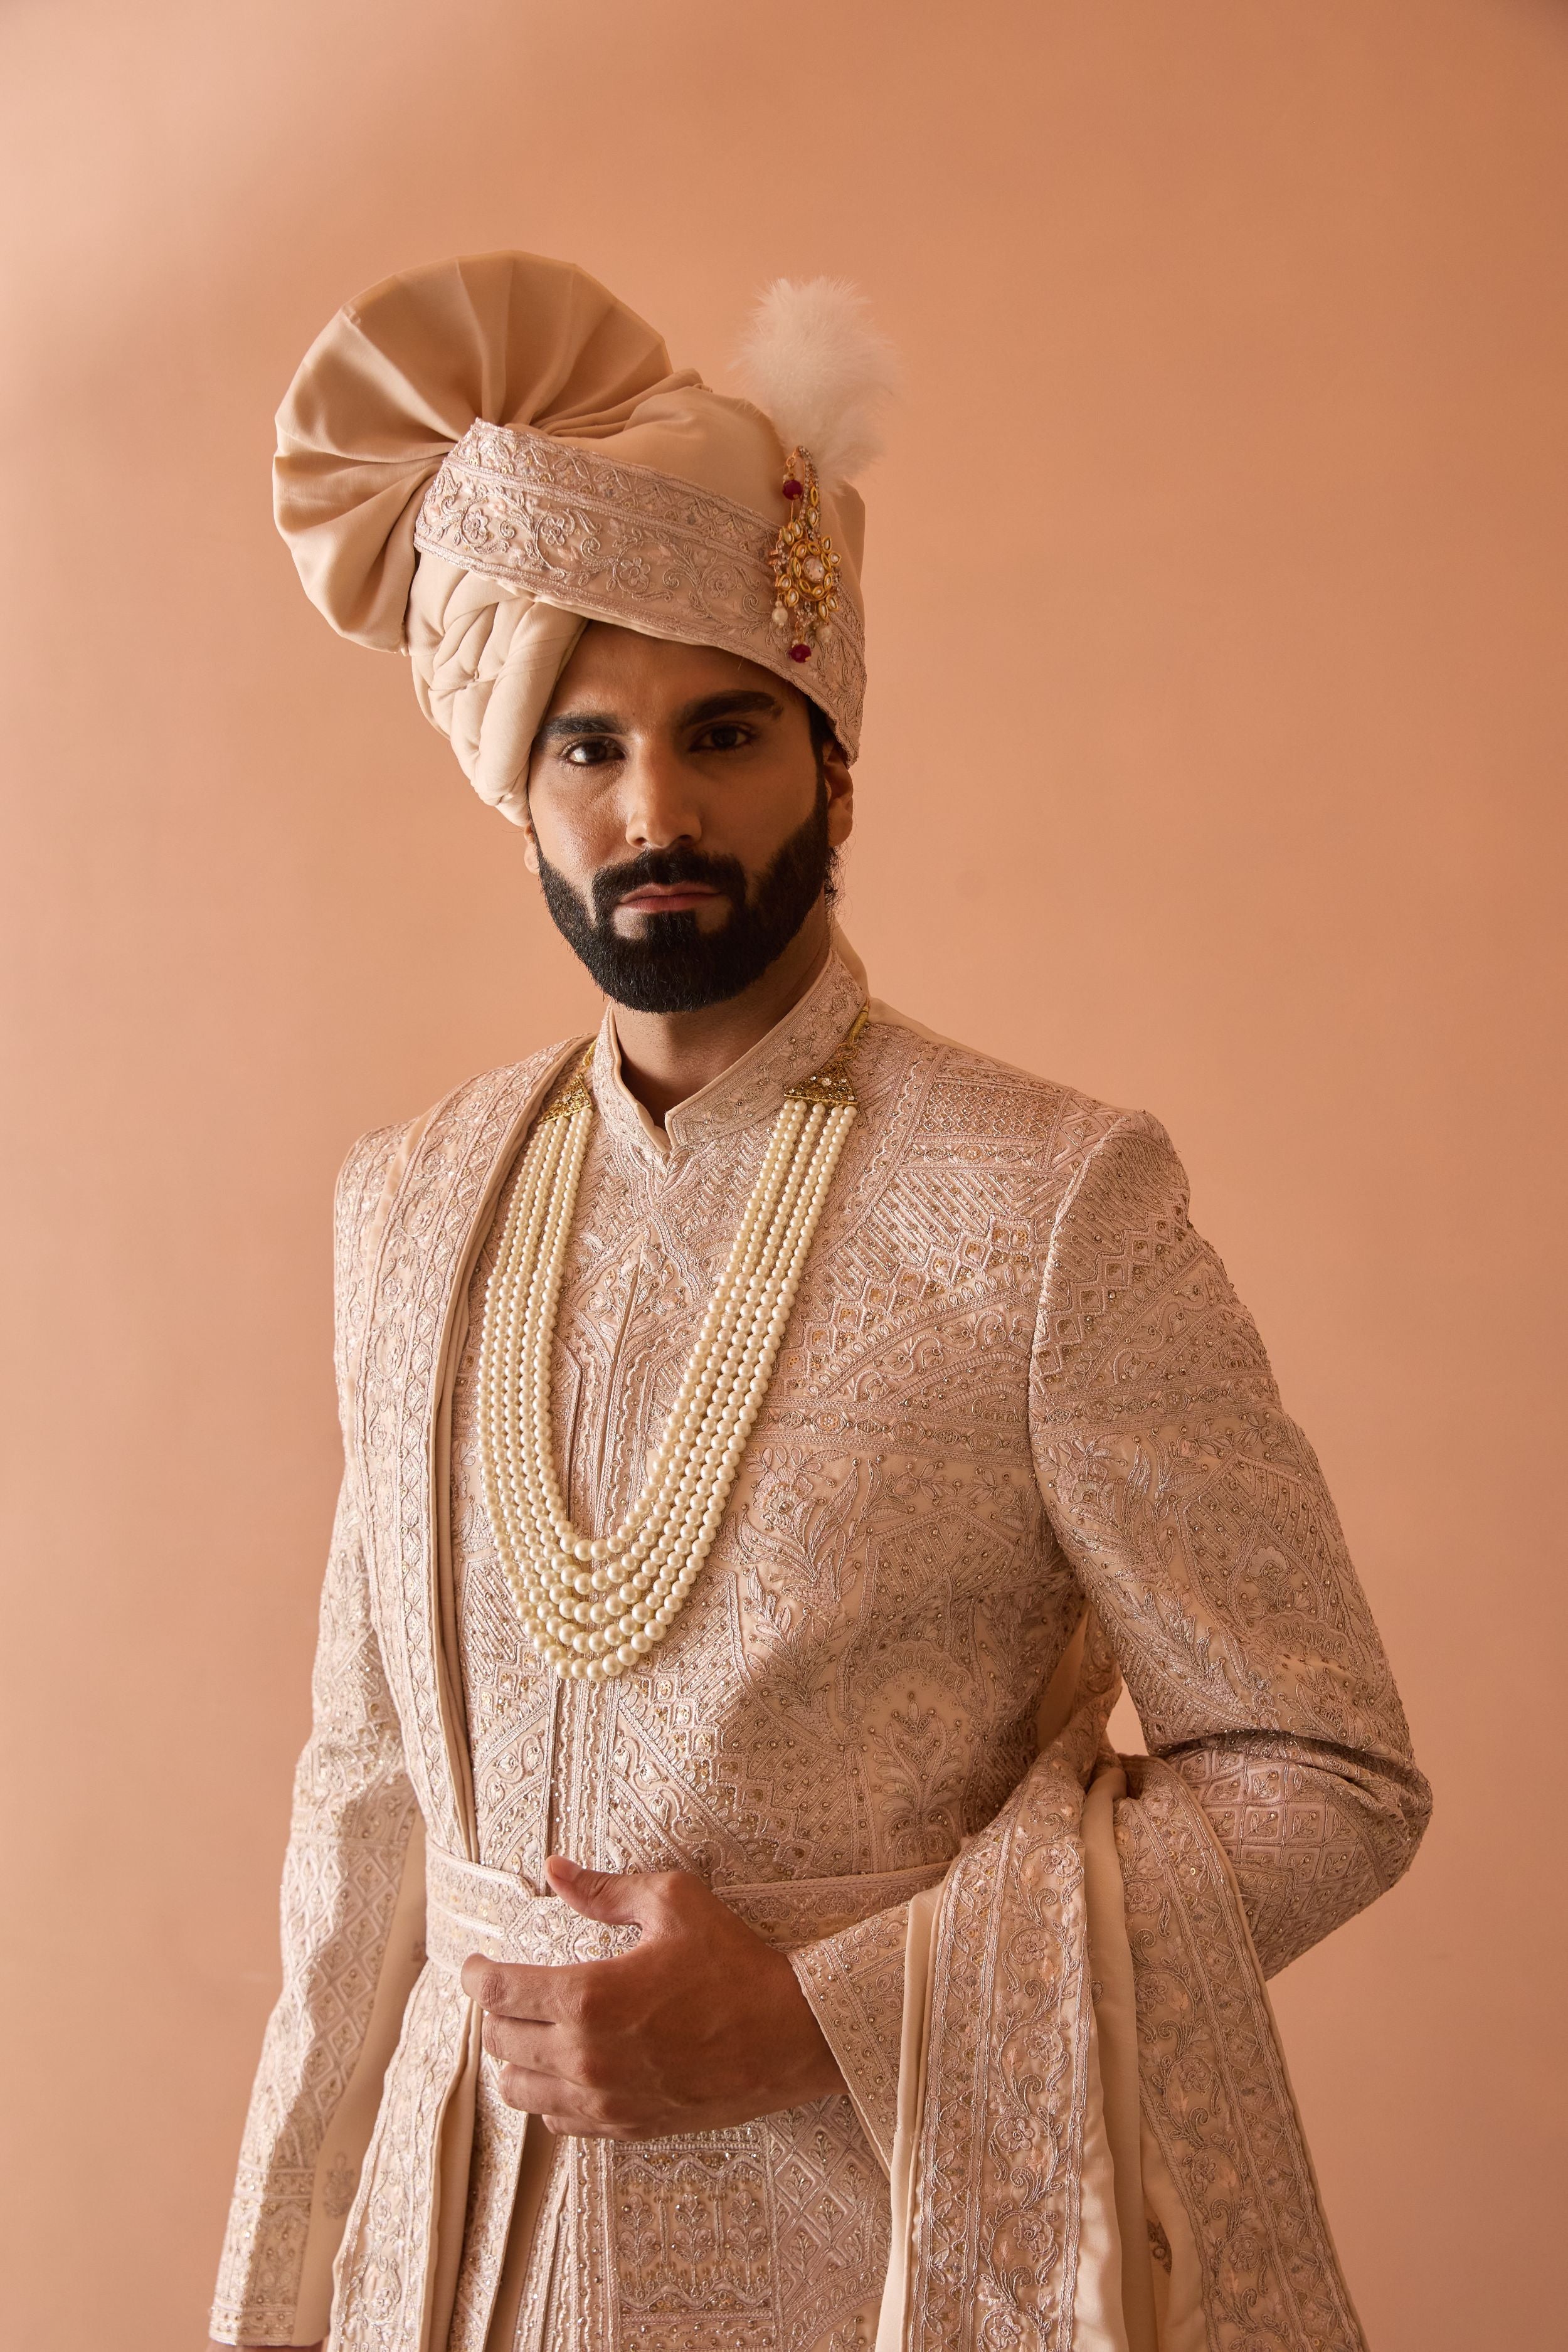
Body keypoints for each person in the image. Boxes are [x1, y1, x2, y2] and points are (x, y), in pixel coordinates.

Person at [209, 253, 1429, 2352]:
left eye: (724, 733)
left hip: (872, 2263)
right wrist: (272, 2300)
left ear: (833, 767)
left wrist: (818, 2017)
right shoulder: (406, 1203)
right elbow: (365, 1796)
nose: (656, 811)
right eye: (587, 747)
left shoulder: (1045, 1201)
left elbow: (1322, 1770)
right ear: (521, 794)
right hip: (454, 2264)